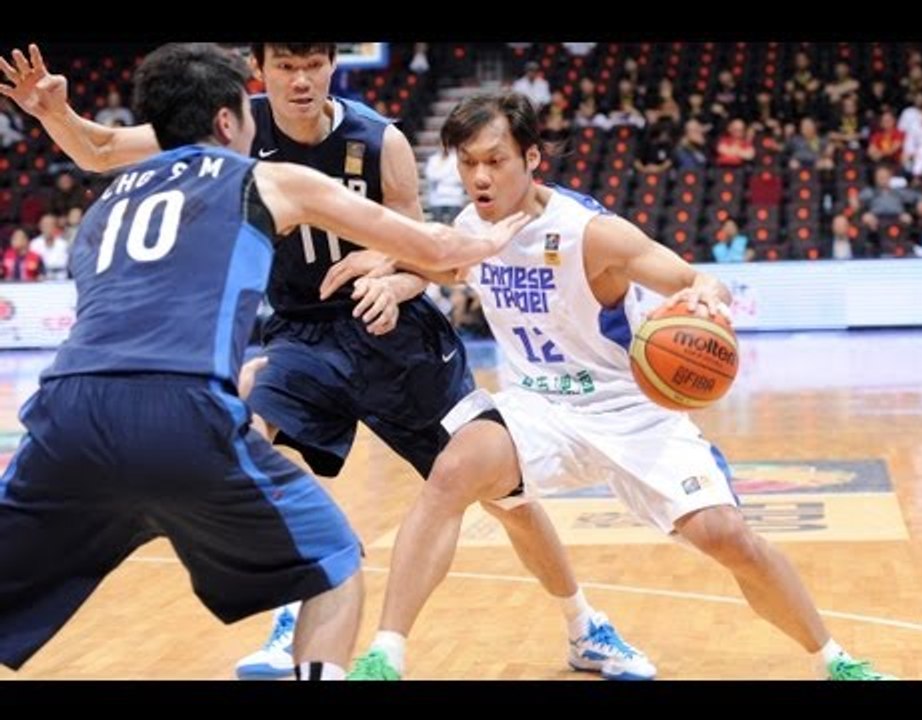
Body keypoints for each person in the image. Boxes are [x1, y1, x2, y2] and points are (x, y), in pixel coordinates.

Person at [3, 42, 651, 682]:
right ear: (260, 75)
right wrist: (54, 114)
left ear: (332, 66)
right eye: (286, 65)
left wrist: (394, 278)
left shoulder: (380, 141)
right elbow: (103, 149)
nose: (301, 79)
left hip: (398, 340)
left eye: (313, 64)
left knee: (507, 496)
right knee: (249, 429)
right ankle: (295, 610)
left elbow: (423, 259)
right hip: (303, 335)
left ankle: (582, 623)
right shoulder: (227, 133)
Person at [329, 91, 897, 681]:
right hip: (536, 408)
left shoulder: (590, 235)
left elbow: (696, 278)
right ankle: (385, 656)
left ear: (532, 159)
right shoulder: (471, 225)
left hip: (631, 412)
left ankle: (836, 660)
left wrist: (706, 297)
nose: (480, 176)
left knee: (728, 538)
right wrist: (395, 279)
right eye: (468, 162)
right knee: (455, 471)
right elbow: (443, 266)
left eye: (495, 161)